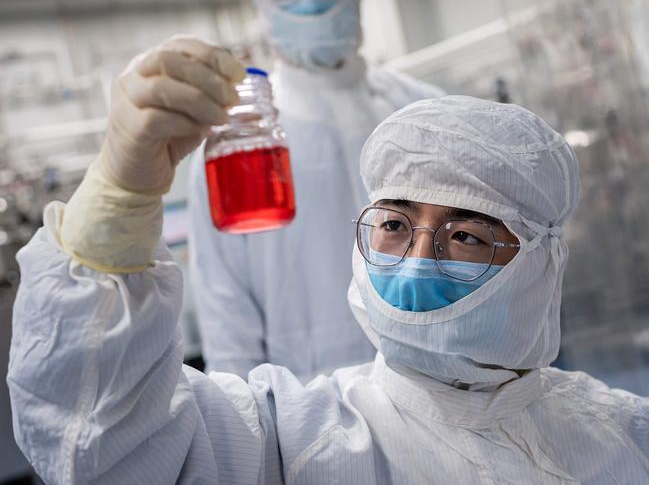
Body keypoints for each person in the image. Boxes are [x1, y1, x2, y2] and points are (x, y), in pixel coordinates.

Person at [8, 38, 649, 484]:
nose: (418, 261)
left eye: (466, 237)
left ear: (539, 264)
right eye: (394, 225)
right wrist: (117, 199)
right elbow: (104, 443)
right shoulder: (289, 440)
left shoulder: (624, 435)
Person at [187, 0, 444, 379]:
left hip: (437, 390)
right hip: (305, 413)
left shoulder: (429, 112)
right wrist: (250, 424)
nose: (311, 3)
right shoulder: (238, 143)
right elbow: (227, 319)